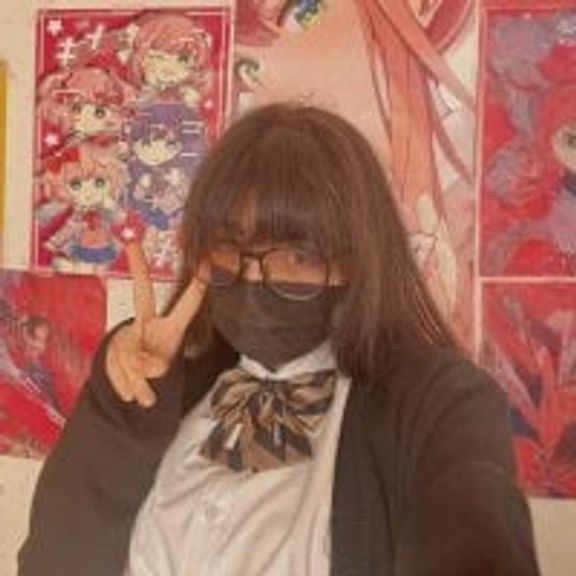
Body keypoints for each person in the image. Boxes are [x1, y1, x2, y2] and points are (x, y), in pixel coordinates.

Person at [19, 103, 540, 576]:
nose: (253, 280)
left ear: (359, 259)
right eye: (228, 247)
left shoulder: (437, 401)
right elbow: (52, 559)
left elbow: (474, 533)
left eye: (298, 256)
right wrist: (128, 411)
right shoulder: (164, 369)